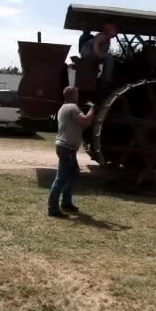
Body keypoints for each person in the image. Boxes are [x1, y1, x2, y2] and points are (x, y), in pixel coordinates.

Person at [48, 86, 95, 218]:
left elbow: (81, 123)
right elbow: (85, 121)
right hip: (66, 147)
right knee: (61, 178)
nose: (78, 96)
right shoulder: (73, 108)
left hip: (66, 147)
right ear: (72, 95)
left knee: (73, 174)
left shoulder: (63, 108)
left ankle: (67, 203)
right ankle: (53, 209)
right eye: (77, 94)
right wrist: (92, 108)